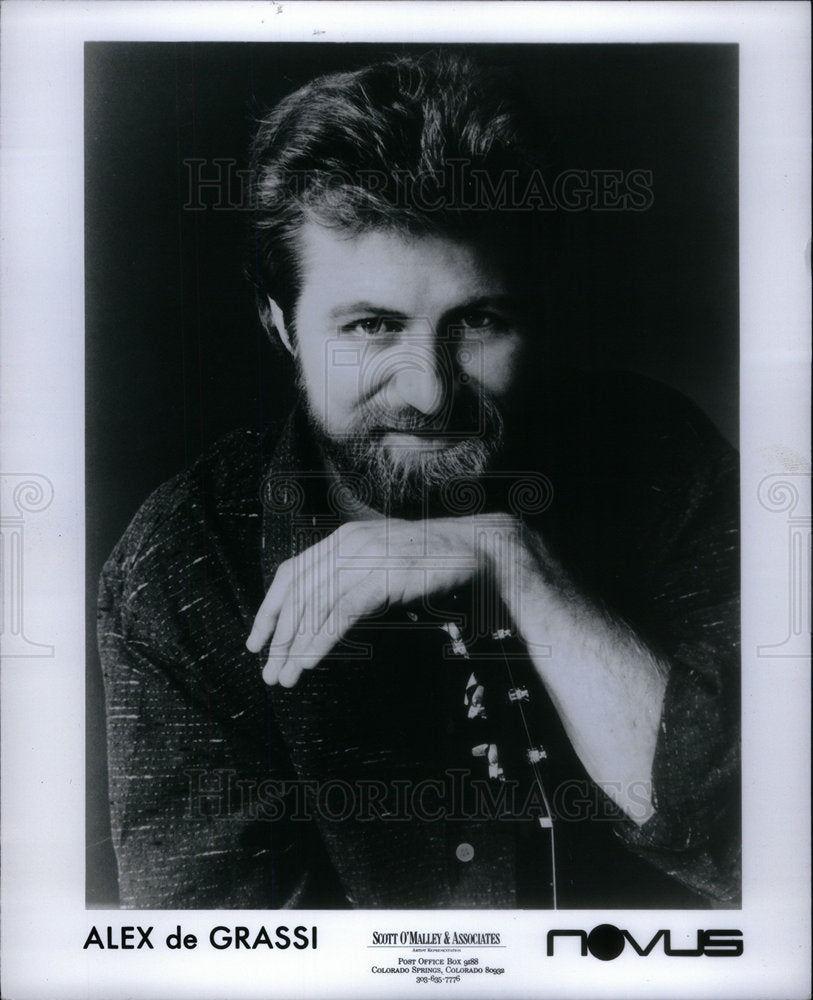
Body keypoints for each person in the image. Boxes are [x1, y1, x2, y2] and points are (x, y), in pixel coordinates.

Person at [98, 52, 740, 909]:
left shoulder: (659, 456)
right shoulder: (183, 569)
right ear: (280, 326)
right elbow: (213, 958)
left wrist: (514, 560)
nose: (430, 392)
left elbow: (755, 853)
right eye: (369, 326)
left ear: (534, 315)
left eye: (477, 321)